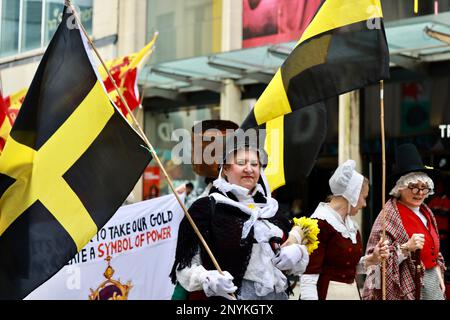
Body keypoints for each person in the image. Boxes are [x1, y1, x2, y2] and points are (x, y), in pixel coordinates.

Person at [170, 136, 309, 300]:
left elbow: (290, 260)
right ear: (226, 169)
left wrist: (298, 253)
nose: (249, 169)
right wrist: (207, 278)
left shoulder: (271, 210)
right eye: (241, 163)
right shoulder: (205, 208)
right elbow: (184, 266)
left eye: (255, 164)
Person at [362, 143, 446, 300]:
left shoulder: (426, 212)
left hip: (432, 282)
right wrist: (407, 247)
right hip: (406, 288)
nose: (420, 193)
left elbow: (434, 252)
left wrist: (437, 274)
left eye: (424, 188)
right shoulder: (388, 217)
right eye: (414, 187)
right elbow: (377, 264)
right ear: (400, 188)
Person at [299, 159, 389, 300]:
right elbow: (308, 277)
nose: (364, 204)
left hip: (351, 294)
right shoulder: (318, 224)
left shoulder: (351, 227)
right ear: (352, 195)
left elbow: (348, 267)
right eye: (363, 197)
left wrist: (373, 258)